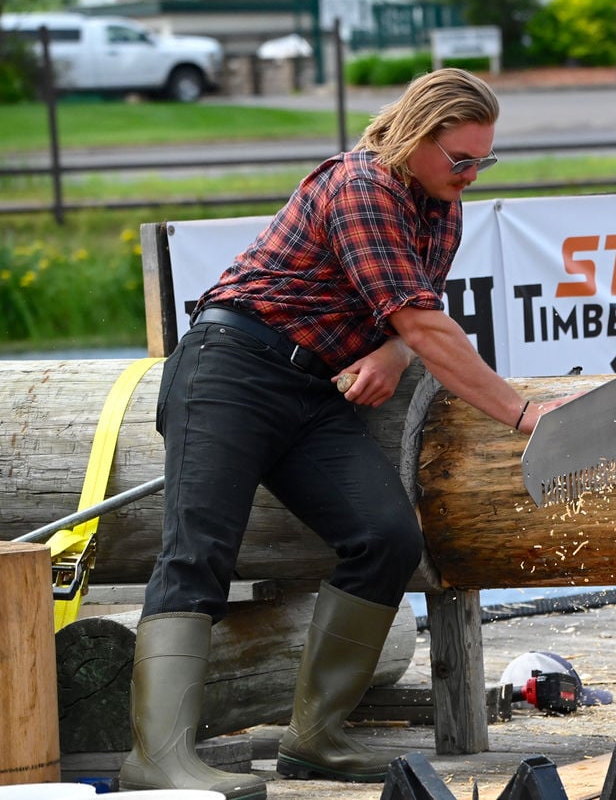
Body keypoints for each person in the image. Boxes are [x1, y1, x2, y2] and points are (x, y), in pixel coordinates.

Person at [120, 68, 558, 798]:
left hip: (313, 392)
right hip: (232, 368)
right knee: (198, 551)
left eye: (485, 161)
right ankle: (155, 758)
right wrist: (522, 416)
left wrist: (390, 351)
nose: (473, 176)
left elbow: (409, 322)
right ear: (416, 139)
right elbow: (423, 323)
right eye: (461, 160)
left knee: (386, 535)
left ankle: (314, 739)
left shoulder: (439, 205)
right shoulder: (362, 185)